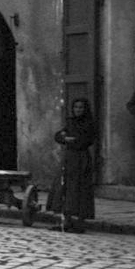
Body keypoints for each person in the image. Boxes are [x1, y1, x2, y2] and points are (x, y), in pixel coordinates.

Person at [55, 97, 98, 232]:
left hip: (81, 158)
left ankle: (80, 222)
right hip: (69, 158)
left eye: (81, 108)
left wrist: (71, 140)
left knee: (81, 188)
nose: (78, 110)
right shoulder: (70, 122)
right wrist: (64, 138)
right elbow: (58, 135)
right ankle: (66, 221)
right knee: (67, 188)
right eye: (76, 107)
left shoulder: (89, 124)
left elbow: (87, 140)